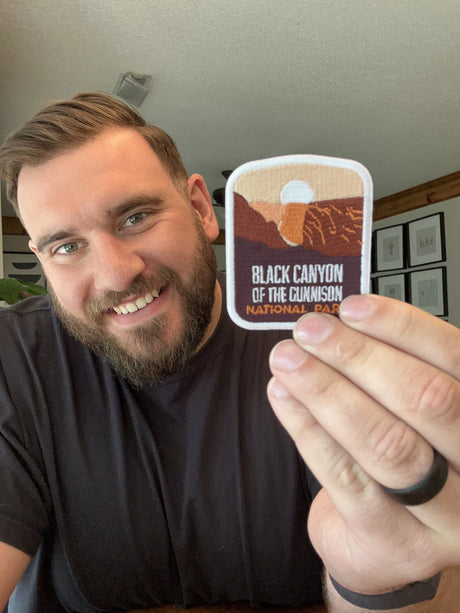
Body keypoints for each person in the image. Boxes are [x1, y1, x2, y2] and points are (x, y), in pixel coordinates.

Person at [0, 92, 458, 613]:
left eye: (135, 217)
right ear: (41, 259)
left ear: (201, 209)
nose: (115, 275)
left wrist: (375, 581)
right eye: (66, 247)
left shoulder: (318, 347)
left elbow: (421, 577)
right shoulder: (14, 359)